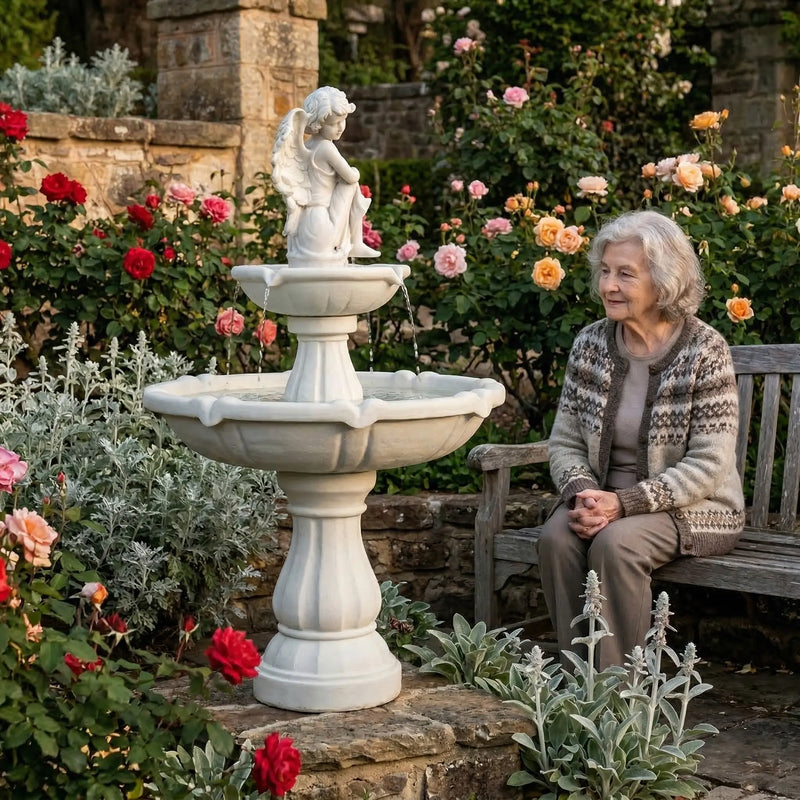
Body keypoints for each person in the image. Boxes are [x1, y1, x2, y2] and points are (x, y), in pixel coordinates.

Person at [537, 209, 745, 669]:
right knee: (556, 537)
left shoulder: (703, 350)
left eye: (625, 275)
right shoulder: (591, 344)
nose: (608, 285)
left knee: (617, 544)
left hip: (695, 507)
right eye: (606, 272)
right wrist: (582, 493)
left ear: (664, 282)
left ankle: (618, 698)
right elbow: (565, 440)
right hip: (603, 499)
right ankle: (579, 689)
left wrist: (623, 503)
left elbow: (709, 463)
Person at [271, 86, 380, 266]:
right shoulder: (326, 147)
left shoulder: (309, 146)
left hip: (306, 227)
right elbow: (351, 177)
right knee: (350, 183)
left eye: (342, 121)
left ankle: (357, 242)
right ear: (317, 123)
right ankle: (357, 242)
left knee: (346, 181)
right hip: (322, 226)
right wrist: (355, 171)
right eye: (332, 124)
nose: (340, 128)